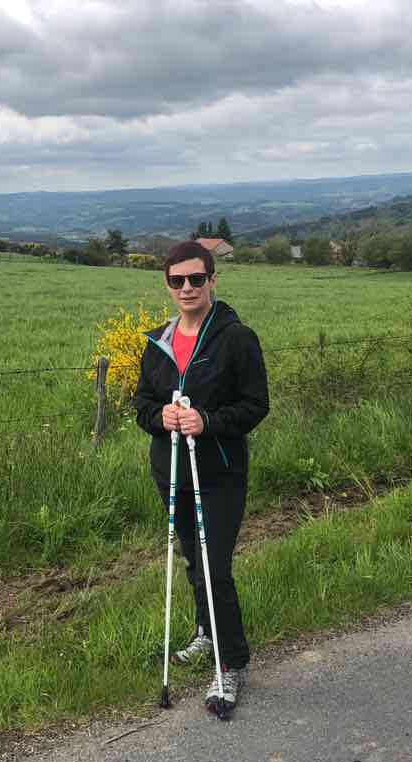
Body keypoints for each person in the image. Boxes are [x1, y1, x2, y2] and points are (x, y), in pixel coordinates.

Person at [133, 240, 269, 712]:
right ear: (167, 285)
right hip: (171, 469)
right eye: (177, 280)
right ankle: (205, 632)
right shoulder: (158, 343)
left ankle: (231, 666)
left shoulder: (236, 338)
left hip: (219, 472)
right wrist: (162, 417)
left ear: (213, 280)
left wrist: (208, 421)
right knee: (194, 559)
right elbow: (141, 406)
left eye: (196, 278)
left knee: (216, 569)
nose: (186, 287)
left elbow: (255, 406)